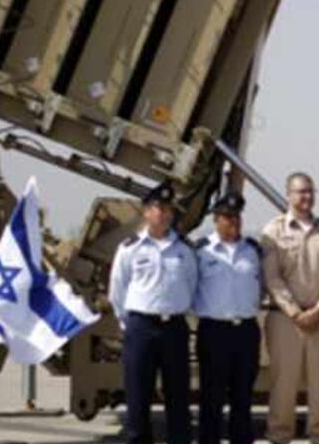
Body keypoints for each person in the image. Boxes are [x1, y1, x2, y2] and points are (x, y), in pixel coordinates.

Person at [109, 183, 199, 444]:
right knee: (138, 395)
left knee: (178, 396)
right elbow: (118, 288)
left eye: (168, 209)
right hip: (141, 328)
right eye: (158, 208)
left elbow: (192, 285)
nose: (164, 213)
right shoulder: (130, 248)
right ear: (146, 212)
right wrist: (129, 323)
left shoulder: (184, 249)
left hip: (174, 328)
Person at [259, 172, 319, 444]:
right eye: (300, 191)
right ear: (289, 195)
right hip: (285, 319)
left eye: (310, 191)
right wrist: (295, 312)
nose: (306, 197)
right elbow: (272, 277)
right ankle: (279, 436)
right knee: (284, 385)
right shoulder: (273, 231)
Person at [194, 191, 263, 444]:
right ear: (216, 219)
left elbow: (261, 286)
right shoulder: (202, 252)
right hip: (214, 332)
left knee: (243, 398)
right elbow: (190, 287)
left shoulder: (252, 250)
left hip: (245, 331)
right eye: (227, 217)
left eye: (237, 217)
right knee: (211, 399)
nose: (234, 222)